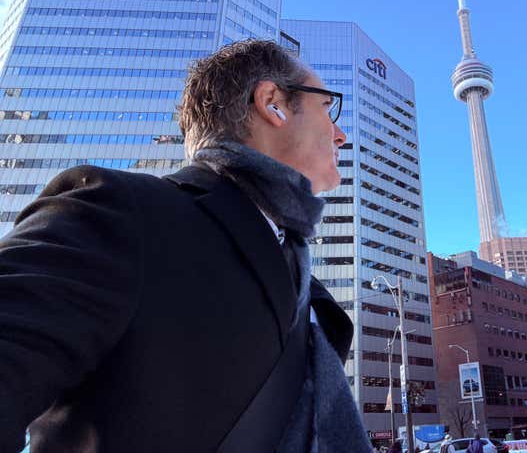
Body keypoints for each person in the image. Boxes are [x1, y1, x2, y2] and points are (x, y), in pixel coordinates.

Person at [0, 40, 368, 452]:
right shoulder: (119, 210)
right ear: (272, 103)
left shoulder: (307, 286)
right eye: (327, 107)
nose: (341, 134)